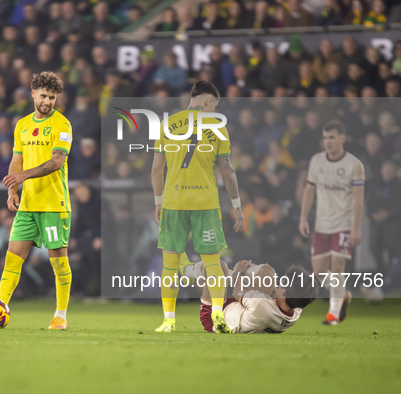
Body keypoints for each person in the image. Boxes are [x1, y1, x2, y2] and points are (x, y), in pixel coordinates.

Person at [0, 71, 73, 330]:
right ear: (33, 94)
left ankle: (60, 315)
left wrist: (23, 175)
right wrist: (13, 189)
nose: (48, 101)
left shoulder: (62, 125)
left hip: (53, 204)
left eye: (52, 97)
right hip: (27, 205)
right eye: (44, 96)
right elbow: (17, 158)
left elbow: (57, 162)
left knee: (58, 259)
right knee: (12, 258)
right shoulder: (23, 124)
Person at [151, 80, 244, 333]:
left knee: (170, 265)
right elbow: (227, 170)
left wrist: (158, 202)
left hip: (173, 202)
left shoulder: (167, 124)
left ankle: (169, 321)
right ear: (208, 101)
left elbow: (157, 169)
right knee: (213, 262)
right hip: (206, 203)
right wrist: (237, 206)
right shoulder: (217, 126)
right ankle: (217, 312)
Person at [299, 121, 365, 325]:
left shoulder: (354, 165)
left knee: (337, 266)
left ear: (342, 139)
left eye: (332, 137)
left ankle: (333, 314)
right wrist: (303, 217)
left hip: (344, 224)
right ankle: (342, 293)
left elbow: (359, 198)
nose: (328, 142)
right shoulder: (317, 161)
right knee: (318, 272)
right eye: (326, 138)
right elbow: (309, 190)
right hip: (322, 224)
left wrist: (356, 228)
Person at [181, 257, 317, 333]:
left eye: (282, 283)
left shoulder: (261, 304)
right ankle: (229, 274)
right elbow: (275, 292)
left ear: (284, 291)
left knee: (215, 266)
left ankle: (187, 270)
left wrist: (239, 272)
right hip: (247, 311)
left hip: (216, 318)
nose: (279, 284)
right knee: (267, 273)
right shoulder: (296, 311)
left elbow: (237, 293)